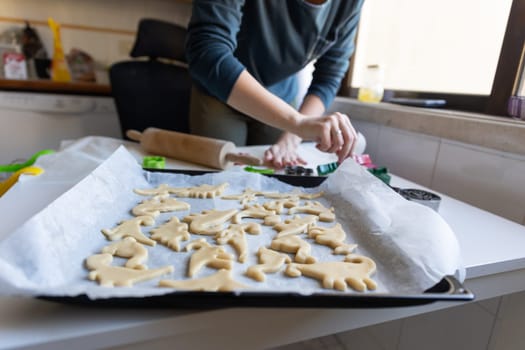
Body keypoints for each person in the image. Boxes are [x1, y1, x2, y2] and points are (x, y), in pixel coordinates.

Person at [186, 0, 364, 168]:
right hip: (220, 91)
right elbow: (207, 50)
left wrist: (293, 135)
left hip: (281, 97)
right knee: (221, 174)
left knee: (276, 173)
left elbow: (329, 77)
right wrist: (298, 123)